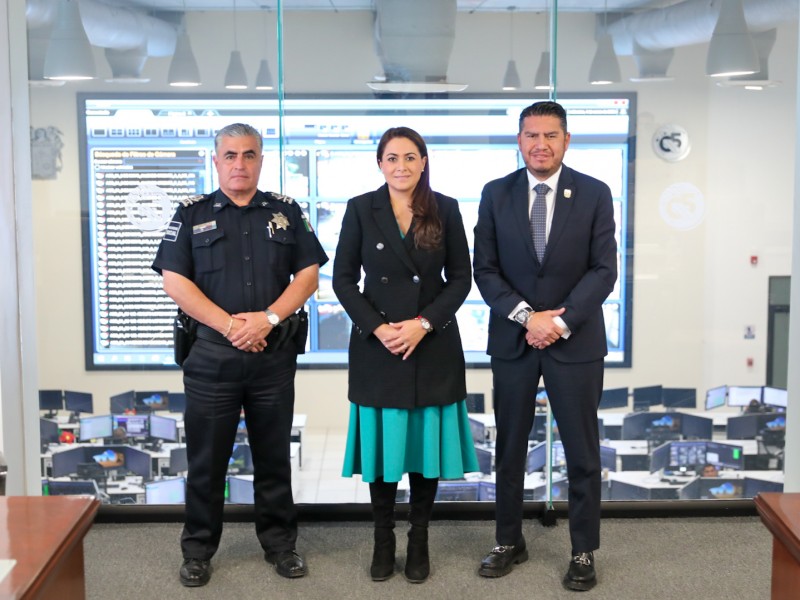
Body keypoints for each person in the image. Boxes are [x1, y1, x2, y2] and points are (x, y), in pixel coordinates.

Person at [152, 122, 328, 587]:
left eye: (249, 155)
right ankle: (197, 552)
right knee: (206, 462)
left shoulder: (285, 211)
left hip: (272, 355)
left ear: (261, 161)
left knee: (274, 458)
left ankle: (281, 546)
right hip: (211, 357)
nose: (239, 164)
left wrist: (267, 319)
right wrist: (231, 326)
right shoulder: (191, 214)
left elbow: (308, 276)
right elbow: (174, 281)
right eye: (230, 155)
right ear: (216, 161)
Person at [473, 101, 617, 591]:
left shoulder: (594, 193)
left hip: (574, 342)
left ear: (566, 140)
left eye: (550, 135)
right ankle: (508, 540)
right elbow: (485, 270)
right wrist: (526, 317)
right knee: (509, 448)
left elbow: (604, 270)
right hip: (513, 340)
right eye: (531, 135)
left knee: (582, 452)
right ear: (519, 140)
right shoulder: (496, 194)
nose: (540, 144)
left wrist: (559, 322)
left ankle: (583, 550)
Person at [333, 126, 478, 583]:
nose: (402, 166)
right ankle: (383, 539)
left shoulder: (445, 208)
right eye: (392, 158)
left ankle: (419, 539)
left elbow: (461, 278)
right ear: (380, 164)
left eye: (410, 157)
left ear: (424, 162)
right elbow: (342, 280)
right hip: (378, 346)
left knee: (422, 449)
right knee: (383, 452)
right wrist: (379, 328)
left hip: (431, 343)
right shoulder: (361, 208)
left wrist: (423, 323)